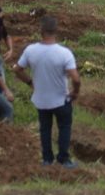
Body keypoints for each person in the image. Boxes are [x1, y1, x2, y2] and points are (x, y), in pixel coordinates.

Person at [14, 14, 82, 167]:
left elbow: (17, 69)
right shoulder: (64, 53)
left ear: (41, 31)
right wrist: (76, 92)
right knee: (64, 128)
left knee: (45, 129)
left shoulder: (31, 50)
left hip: (41, 100)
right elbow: (76, 79)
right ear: (56, 31)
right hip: (61, 99)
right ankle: (63, 159)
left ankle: (47, 159)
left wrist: (30, 82)